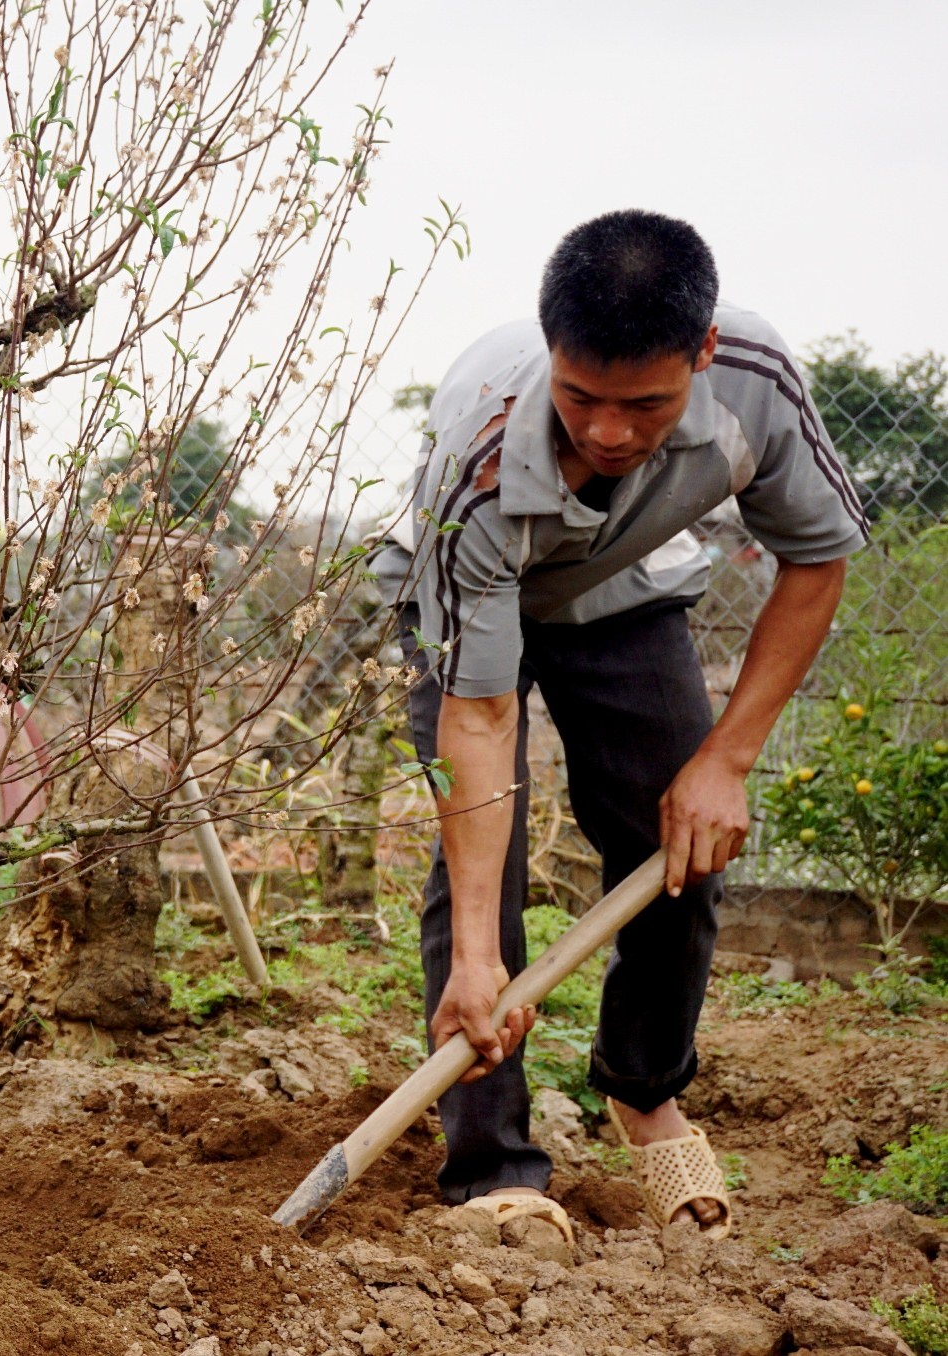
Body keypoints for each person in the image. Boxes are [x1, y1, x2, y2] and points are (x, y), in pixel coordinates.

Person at [370, 209, 866, 1240]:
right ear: (548, 350)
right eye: (579, 396)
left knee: (679, 838)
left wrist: (723, 759)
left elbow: (814, 561)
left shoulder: (755, 386)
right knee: (476, 891)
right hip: (468, 606)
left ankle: (643, 1095)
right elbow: (480, 712)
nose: (604, 431)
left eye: (641, 404)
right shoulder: (486, 456)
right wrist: (475, 960)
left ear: (702, 354)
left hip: (618, 592)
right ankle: (490, 1168)